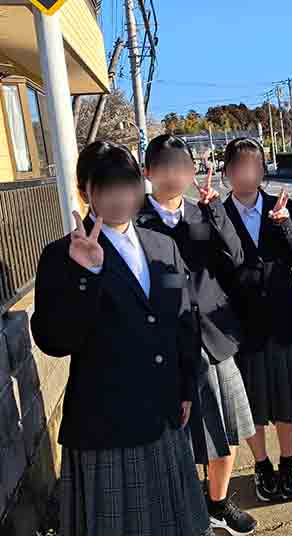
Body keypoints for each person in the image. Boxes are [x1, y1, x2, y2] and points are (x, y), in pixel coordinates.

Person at [31, 141, 212, 536]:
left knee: (172, 523)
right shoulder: (62, 255)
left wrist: (186, 385)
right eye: (106, 187)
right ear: (85, 192)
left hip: (163, 414)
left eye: (128, 185)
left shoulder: (162, 244)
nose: (120, 197)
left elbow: (184, 321)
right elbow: (54, 340)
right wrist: (85, 276)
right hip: (107, 424)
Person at [137, 135, 257, 536]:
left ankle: (218, 503)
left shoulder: (205, 211)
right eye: (165, 166)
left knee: (230, 427)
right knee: (181, 438)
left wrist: (216, 215)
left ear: (192, 171)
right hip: (166, 346)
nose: (175, 175)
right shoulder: (134, 221)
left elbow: (237, 259)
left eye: (182, 166)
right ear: (148, 172)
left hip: (214, 337)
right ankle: (188, 509)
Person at [221, 137, 292, 502]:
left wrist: (285, 227)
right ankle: (262, 464)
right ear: (228, 171)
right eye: (239, 166)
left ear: (263, 169)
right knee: (252, 404)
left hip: (285, 320)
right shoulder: (216, 214)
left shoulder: (284, 206)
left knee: (286, 399)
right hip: (241, 327)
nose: (247, 173)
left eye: (254, 165)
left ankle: (288, 462)